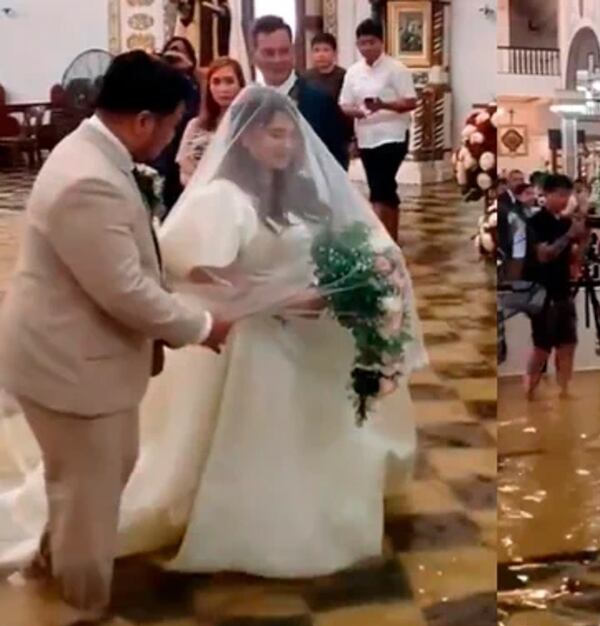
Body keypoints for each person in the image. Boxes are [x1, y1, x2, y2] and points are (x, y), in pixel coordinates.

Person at [0, 86, 425, 587]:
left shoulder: (302, 187)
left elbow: (333, 242)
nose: (285, 146)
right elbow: (187, 269)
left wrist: (353, 280)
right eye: (274, 135)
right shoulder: (224, 196)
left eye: (290, 135)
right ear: (245, 139)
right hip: (246, 344)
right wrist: (280, 298)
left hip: (299, 337)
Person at [0, 51, 231, 618]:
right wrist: (202, 325)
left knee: (95, 483)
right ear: (144, 120)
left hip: (79, 358)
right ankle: (78, 616)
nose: (175, 134)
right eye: (174, 122)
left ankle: (50, 568)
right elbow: (124, 289)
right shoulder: (87, 180)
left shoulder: (95, 153)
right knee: (90, 502)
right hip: (69, 365)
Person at [340, 18, 419, 242]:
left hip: (392, 135)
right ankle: (384, 239)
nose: (366, 47)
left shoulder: (396, 69)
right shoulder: (353, 72)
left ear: (381, 42)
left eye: (371, 42)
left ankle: (388, 239)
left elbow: (411, 101)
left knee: (382, 186)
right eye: (362, 43)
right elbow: (344, 103)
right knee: (378, 187)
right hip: (367, 136)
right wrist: (356, 111)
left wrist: (383, 105)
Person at [251, 15, 349, 168]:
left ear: (293, 52)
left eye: (284, 51)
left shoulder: (320, 102)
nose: (277, 60)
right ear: (254, 56)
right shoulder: (247, 104)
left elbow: (337, 160)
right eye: (269, 53)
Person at [524, 174, 588, 400]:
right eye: (560, 195)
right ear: (547, 194)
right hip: (542, 292)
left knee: (568, 343)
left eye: (567, 195)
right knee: (542, 346)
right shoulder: (535, 222)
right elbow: (544, 255)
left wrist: (582, 238)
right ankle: (530, 390)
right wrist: (568, 235)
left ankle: (564, 390)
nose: (564, 200)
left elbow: (574, 260)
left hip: (563, 289)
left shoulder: (564, 222)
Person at [177, 56, 245, 186]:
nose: (223, 89)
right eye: (216, 82)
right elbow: (184, 170)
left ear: (240, 85)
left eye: (229, 81)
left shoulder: (249, 126)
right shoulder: (195, 126)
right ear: (209, 86)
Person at [154, 38, 201, 213]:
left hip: (184, 159)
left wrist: (190, 68)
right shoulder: (158, 86)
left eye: (181, 52)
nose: (175, 57)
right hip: (160, 159)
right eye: (171, 52)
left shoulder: (195, 87)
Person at [303, 32, 353, 160]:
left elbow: (350, 108)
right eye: (316, 50)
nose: (321, 54)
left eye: (326, 50)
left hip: (339, 137)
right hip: (312, 137)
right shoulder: (304, 78)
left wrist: (353, 139)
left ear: (334, 53)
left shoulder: (345, 76)